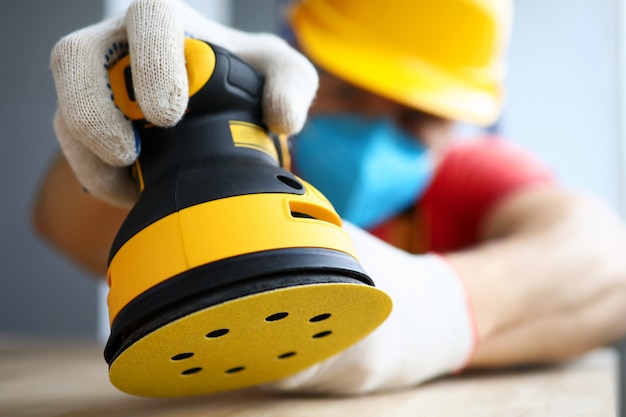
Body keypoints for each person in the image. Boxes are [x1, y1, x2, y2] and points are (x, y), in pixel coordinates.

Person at [34, 0, 626, 395]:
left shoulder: (471, 177)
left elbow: (607, 264)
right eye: (346, 92)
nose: (376, 136)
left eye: (420, 118)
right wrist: (164, 130)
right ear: (288, 60)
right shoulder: (226, 159)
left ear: (460, 123)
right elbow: (61, 217)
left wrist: (393, 327)